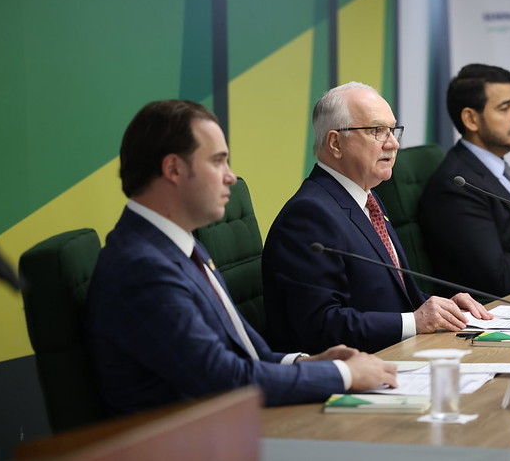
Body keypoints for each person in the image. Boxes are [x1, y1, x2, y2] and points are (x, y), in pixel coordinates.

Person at [85, 99, 397, 416]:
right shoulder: (142, 268)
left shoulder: (176, 245)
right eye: (218, 161)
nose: (230, 177)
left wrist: (308, 362)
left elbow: (244, 353)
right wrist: (343, 375)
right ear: (173, 169)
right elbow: (224, 379)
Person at [262, 82, 491, 355]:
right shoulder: (309, 215)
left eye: (392, 130)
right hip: (352, 369)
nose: (393, 143)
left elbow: (389, 296)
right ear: (336, 143)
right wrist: (415, 321)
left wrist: (444, 307)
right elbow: (320, 325)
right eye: (377, 131)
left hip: (394, 354)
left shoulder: (366, 198)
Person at [419, 64, 510, 297]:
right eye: (505, 108)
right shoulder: (456, 186)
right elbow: (499, 280)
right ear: (471, 119)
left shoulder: (497, 169)